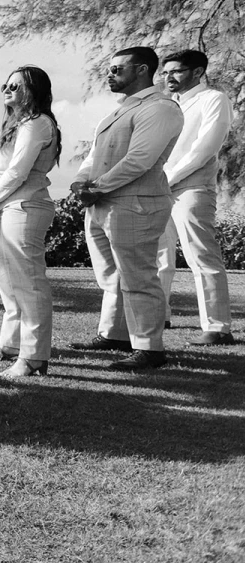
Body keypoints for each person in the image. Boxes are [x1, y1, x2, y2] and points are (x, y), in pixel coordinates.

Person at [70, 46, 184, 370]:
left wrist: (98, 188)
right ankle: (115, 335)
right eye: (110, 69)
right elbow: (93, 156)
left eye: (117, 69)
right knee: (111, 276)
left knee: (138, 277)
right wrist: (81, 181)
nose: (109, 74)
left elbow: (140, 160)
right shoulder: (117, 112)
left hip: (135, 204)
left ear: (142, 70)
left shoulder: (161, 108)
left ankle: (150, 349)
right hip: (102, 203)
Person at [0, 66, 62, 378]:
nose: (8, 90)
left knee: (28, 283)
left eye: (16, 85)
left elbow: (18, 171)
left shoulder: (38, 123)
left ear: (34, 90)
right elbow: (0, 170)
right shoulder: (17, 124)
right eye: (6, 85)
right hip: (6, 205)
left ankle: (34, 356)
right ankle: (10, 345)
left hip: (25, 205)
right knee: (8, 283)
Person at [156, 50, 235, 345]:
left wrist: (167, 178)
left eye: (176, 71)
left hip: (192, 188)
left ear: (198, 71)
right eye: (165, 73)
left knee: (201, 255)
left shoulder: (214, 99)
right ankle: (158, 316)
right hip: (158, 187)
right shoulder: (166, 105)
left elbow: (205, 149)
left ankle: (217, 328)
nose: (169, 78)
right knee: (157, 257)